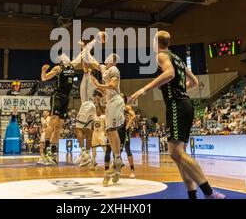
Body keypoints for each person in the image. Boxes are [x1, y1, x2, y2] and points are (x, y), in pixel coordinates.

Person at [130, 31, 225, 199]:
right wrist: (179, 88)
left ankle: (210, 193)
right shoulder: (179, 59)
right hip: (185, 104)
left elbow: (170, 74)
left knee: (175, 153)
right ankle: (193, 196)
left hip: (176, 105)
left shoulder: (161, 55)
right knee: (180, 155)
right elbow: (194, 82)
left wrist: (145, 88)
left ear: (157, 43)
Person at [90, 53, 125, 186]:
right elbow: (95, 63)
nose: (107, 58)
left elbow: (113, 85)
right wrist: (84, 49)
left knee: (111, 130)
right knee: (109, 132)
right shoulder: (106, 70)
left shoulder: (114, 69)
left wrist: (98, 84)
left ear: (113, 61)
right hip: (109, 102)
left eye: (111, 57)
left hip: (116, 101)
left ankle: (117, 159)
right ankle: (117, 163)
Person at [40, 54, 78, 165]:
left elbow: (80, 56)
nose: (66, 57)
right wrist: (43, 71)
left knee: (59, 125)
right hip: (57, 96)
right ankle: (47, 150)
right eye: (63, 57)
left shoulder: (71, 66)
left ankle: (53, 151)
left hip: (66, 98)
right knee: (53, 121)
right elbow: (44, 78)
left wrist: (86, 47)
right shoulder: (58, 68)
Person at [90, 91, 106, 170]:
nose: (97, 110)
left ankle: (109, 162)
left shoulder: (104, 116)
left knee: (105, 149)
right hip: (95, 133)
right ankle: (93, 163)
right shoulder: (94, 116)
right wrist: (95, 101)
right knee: (93, 149)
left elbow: (101, 108)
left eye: (98, 109)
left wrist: (98, 102)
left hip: (101, 133)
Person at [121, 93, 136, 178]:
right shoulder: (116, 107)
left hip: (125, 131)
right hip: (117, 130)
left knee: (127, 150)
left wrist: (128, 124)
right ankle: (117, 169)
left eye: (122, 97)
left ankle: (132, 170)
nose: (120, 98)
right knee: (117, 151)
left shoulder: (126, 107)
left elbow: (133, 116)